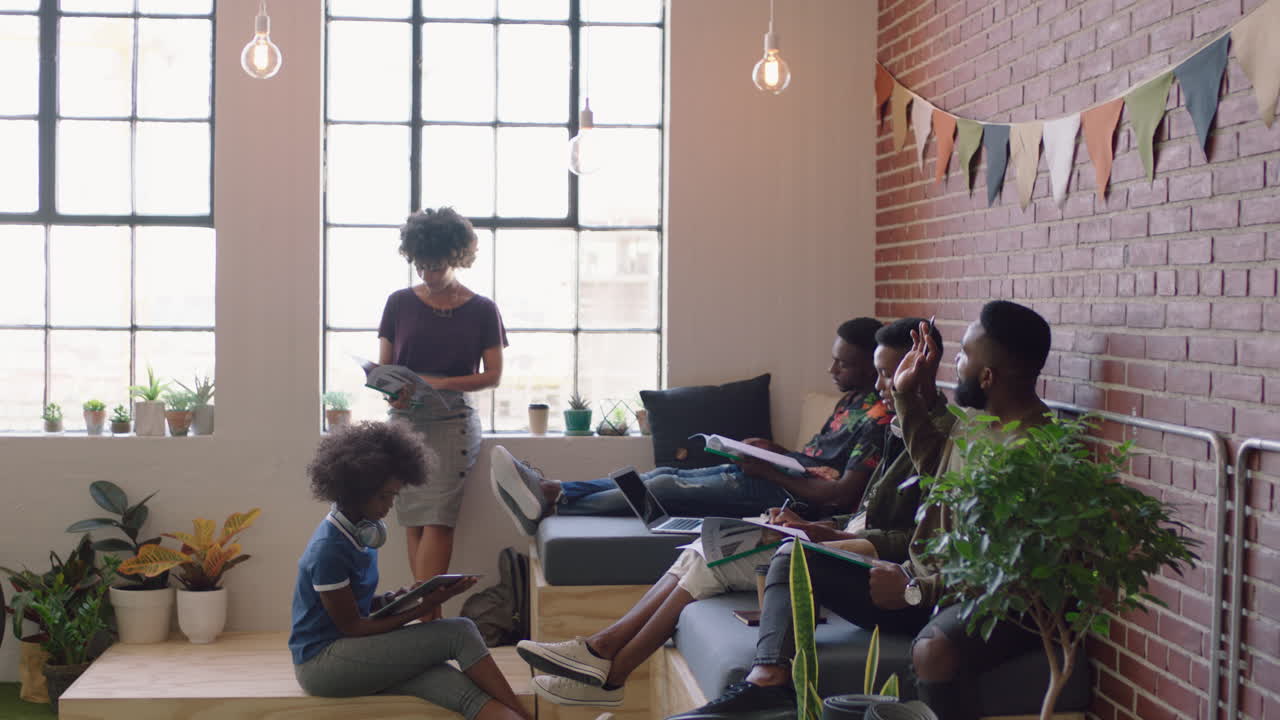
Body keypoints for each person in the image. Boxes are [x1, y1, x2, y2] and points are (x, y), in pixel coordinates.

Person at [513, 318, 939, 709]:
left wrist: (818, 529)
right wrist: (809, 515)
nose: (885, 384)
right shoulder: (894, 424)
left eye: (887, 373)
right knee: (699, 538)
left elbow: (871, 516)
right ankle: (603, 655)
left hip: (855, 555)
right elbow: (862, 509)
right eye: (883, 373)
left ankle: (607, 664)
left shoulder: (917, 435)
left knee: (703, 550)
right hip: (828, 528)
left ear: (918, 366)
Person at [672, 301, 1053, 720]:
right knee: (795, 558)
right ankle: (769, 682)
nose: (955, 363)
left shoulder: (1027, 452)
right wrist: (906, 395)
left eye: (963, 354)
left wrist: (914, 588)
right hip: (923, 583)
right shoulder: (979, 420)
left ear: (987, 376)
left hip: (976, 599)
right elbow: (934, 472)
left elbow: (1000, 571)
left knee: (933, 650)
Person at [491, 317, 893, 533]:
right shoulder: (854, 400)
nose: (832, 368)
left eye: (844, 362)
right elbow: (817, 461)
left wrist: (770, 467)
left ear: (872, 364)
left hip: (792, 501)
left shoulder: (880, 419)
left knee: (666, 487)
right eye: (834, 358)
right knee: (665, 472)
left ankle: (557, 502)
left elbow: (839, 495)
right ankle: (553, 488)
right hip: (778, 476)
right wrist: (774, 451)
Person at [289, 421, 531, 720]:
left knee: (464, 694)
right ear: (355, 492)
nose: (390, 505)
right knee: (460, 632)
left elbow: (358, 606)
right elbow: (353, 626)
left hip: (351, 650)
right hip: (322, 664)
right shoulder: (328, 550)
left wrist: (400, 598)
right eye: (383, 496)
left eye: (393, 495)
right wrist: (423, 608)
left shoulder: (361, 534)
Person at [378, 207, 507, 583]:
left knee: (438, 519)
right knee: (414, 521)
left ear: (456, 258)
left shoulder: (483, 310)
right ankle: (425, 618)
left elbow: (494, 375)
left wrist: (439, 383)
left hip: (453, 423)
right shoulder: (398, 303)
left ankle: (422, 615)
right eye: (420, 265)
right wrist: (393, 393)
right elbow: (386, 369)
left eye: (434, 266)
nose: (426, 274)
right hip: (405, 424)